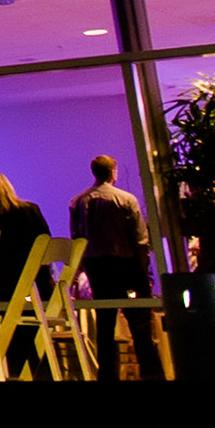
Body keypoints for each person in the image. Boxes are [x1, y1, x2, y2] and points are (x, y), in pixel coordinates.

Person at [70, 155, 156, 381]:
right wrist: (144, 268)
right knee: (139, 322)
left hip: (98, 268)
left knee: (105, 325)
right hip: (126, 266)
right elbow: (139, 239)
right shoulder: (126, 199)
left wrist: (79, 270)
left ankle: (107, 375)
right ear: (113, 172)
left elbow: (77, 239)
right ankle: (151, 372)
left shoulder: (79, 201)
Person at [0, 172, 53, 375]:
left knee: (8, 333)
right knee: (34, 332)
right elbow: (46, 242)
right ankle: (40, 371)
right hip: (37, 286)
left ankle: (11, 370)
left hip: (2, 288)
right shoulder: (30, 211)